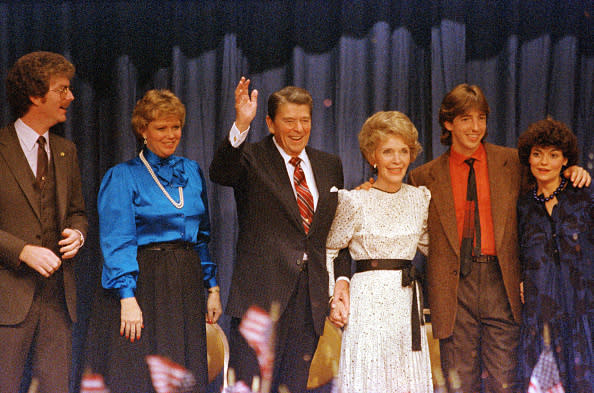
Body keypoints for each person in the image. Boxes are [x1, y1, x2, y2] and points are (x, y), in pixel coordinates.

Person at [405, 84, 591, 392]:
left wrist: (574, 172)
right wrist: (370, 189)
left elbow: (548, 182)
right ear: (448, 123)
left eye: (481, 118)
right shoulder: (423, 177)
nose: (476, 127)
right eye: (466, 118)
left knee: (503, 383)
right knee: (458, 384)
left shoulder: (513, 164)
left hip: (502, 284)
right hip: (454, 293)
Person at [209, 78, 344, 392]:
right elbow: (221, 171)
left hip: (309, 303)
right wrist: (241, 123)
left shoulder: (329, 164)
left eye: (305, 120)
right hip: (259, 300)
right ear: (270, 123)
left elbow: (333, 230)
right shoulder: (251, 158)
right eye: (289, 121)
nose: (298, 129)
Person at [85, 89, 222, 393]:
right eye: (162, 128)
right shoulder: (122, 176)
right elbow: (117, 239)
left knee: (185, 369)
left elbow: (202, 235)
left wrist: (212, 287)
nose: (171, 135)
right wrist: (127, 297)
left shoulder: (191, 171)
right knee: (144, 370)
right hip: (145, 280)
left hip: (186, 279)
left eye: (176, 127)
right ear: (142, 130)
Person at [326, 111, 433, 393]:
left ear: (412, 155)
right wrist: (335, 293)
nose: (397, 160)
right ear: (373, 156)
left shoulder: (420, 198)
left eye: (403, 151)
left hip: (406, 300)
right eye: (388, 152)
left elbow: (434, 247)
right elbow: (330, 250)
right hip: (367, 303)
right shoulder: (354, 201)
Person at [0, 51, 88, 392]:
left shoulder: (67, 151)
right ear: (36, 96)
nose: (71, 97)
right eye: (62, 89)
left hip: (57, 304)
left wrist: (78, 235)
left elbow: (78, 211)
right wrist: (21, 250)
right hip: (7, 303)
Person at [516, 118, 592, 392]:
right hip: (540, 312)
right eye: (537, 154)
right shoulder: (523, 205)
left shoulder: (583, 196)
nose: (544, 162)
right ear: (528, 159)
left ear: (565, 160)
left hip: (581, 308)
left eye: (553, 155)